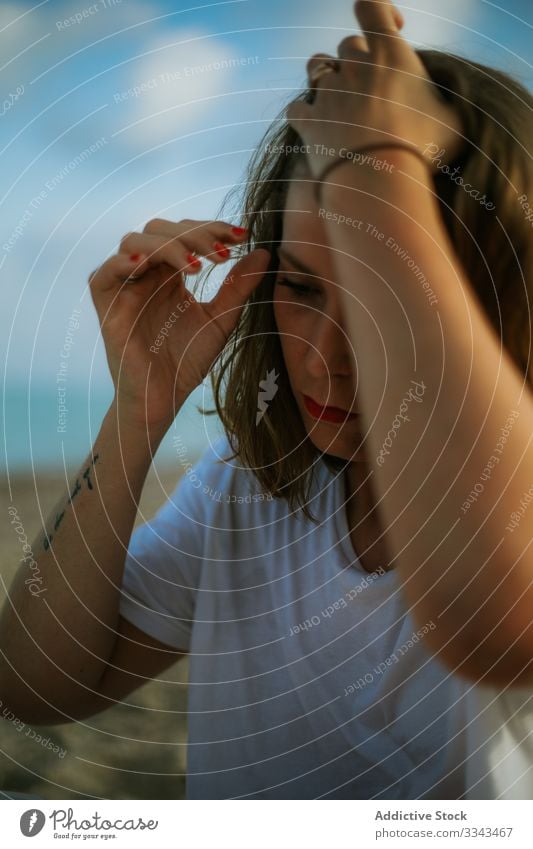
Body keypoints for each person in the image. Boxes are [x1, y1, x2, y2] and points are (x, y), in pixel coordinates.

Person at [1, 0, 532, 800]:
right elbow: (35, 686)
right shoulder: (251, 486)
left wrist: (373, 163)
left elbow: (490, 629)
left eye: (387, 303)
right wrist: (140, 410)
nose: (325, 360)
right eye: (301, 285)